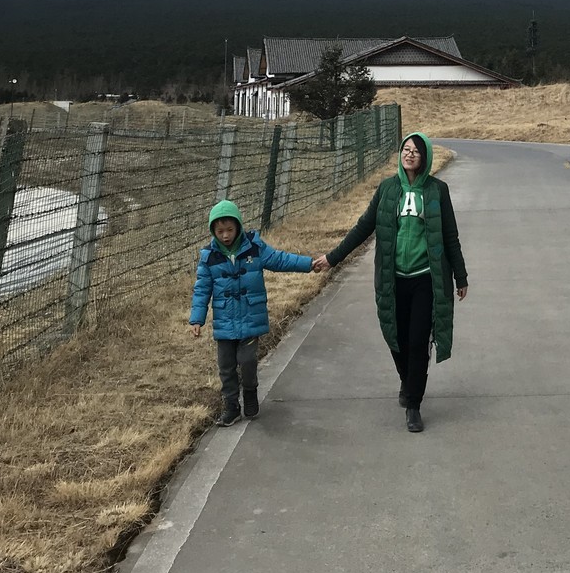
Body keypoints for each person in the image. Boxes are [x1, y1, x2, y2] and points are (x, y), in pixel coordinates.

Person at [313, 131, 468, 434]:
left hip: (426, 278)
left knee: (418, 342)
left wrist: (460, 276)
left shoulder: (438, 191)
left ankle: (413, 405)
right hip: (393, 279)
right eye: (405, 149)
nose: (409, 154)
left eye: (416, 151)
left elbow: (450, 236)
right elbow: (363, 227)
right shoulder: (387, 190)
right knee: (395, 337)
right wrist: (333, 257)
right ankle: (407, 379)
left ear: (425, 158)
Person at [189, 198, 313, 425]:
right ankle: (231, 406)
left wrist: (309, 264)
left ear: (238, 227)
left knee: (247, 361)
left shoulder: (254, 248)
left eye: (229, 230)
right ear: (213, 231)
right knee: (226, 367)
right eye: (219, 231)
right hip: (225, 322)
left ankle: (250, 391)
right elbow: (202, 289)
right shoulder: (209, 257)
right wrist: (197, 319)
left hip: (250, 318)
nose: (225, 235)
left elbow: (280, 260)